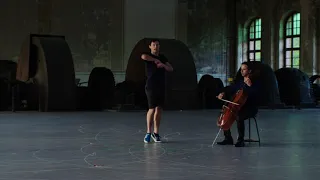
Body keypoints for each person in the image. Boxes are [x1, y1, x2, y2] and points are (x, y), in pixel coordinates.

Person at [216, 62, 260, 147]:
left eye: (244, 69)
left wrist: (250, 86)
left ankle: (241, 140)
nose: (242, 71)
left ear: (250, 71)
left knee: (239, 115)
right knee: (224, 113)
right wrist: (222, 93)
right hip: (239, 106)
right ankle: (228, 138)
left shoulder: (255, 83)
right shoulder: (240, 83)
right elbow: (230, 88)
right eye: (241, 69)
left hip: (250, 108)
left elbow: (257, 96)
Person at [141, 39, 173, 143]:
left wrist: (163, 65)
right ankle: (148, 133)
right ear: (150, 46)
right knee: (151, 109)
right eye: (154, 45)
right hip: (151, 86)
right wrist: (155, 60)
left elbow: (170, 68)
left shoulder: (163, 57)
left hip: (161, 86)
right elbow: (143, 57)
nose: (156, 47)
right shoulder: (147, 55)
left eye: (158, 45)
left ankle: (156, 133)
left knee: (159, 109)